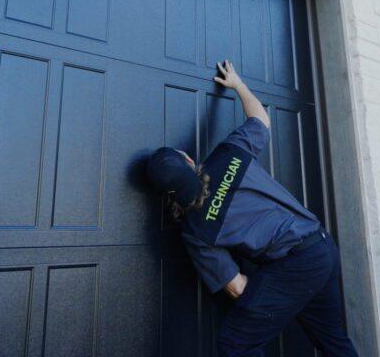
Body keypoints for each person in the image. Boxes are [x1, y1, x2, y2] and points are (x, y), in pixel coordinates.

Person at [147, 60, 359, 357]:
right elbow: (260, 119)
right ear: (190, 162)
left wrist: (273, 292)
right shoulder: (228, 156)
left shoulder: (195, 230)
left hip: (296, 265)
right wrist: (237, 84)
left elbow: (237, 289)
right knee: (333, 340)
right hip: (321, 247)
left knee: (235, 344)